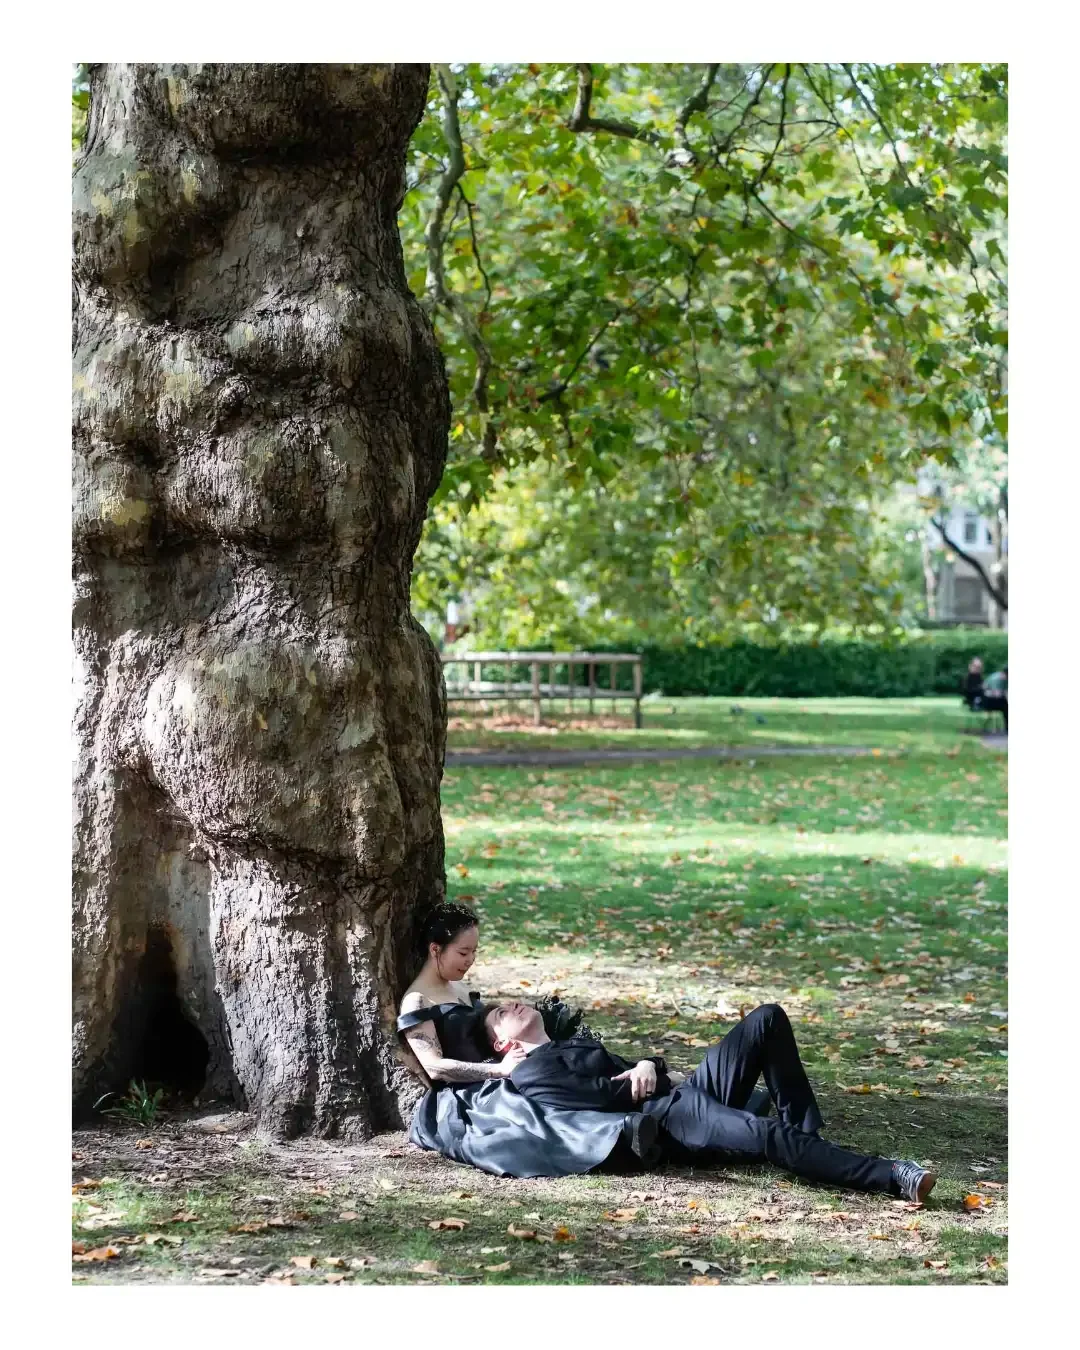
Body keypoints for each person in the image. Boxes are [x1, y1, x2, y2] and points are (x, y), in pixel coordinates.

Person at [485, 999, 936, 1203]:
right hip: (668, 1118)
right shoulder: (530, 1071)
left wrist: (647, 1062)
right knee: (765, 1132)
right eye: (501, 1015)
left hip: (685, 1092)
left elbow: (638, 1066)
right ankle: (892, 1176)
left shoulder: (566, 1043)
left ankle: (809, 1139)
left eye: (511, 1002)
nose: (513, 1006)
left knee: (766, 1019)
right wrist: (648, 1071)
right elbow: (598, 1099)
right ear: (504, 1044)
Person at [396, 904, 652, 1177]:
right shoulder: (417, 1000)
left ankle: (632, 1121)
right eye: (462, 952)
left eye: (474, 952)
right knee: (527, 1119)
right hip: (470, 1091)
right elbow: (434, 1067)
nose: (470, 960)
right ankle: (621, 1137)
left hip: (507, 1070)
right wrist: (498, 1070)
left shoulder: (459, 987)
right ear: (435, 949)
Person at [963, 657, 1007, 731]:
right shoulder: (967, 678)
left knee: (1004, 701)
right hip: (976, 703)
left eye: (979, 667)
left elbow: (983, 688)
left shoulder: (978, 677)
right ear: (970, 666)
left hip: (984, 700)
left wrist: (989, 691)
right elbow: (968, 692)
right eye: (976, 666)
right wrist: (983, 690)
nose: (978, 669)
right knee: (1004, 703)